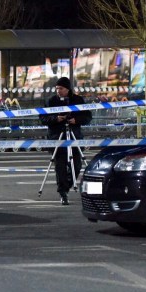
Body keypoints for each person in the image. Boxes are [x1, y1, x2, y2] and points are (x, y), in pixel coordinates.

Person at [40, 77, 91, 205]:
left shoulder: (77, 100)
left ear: (68, 89)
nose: (58, 91)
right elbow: (43, 118)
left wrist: (76, 120)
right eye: (57, 88)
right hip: (57, 137)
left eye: (61, 88)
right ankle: (62, 192)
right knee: (60, 166)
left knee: (77, 164)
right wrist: (56, 119)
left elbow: (87, 116)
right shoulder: (51, 101)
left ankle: (67, 185)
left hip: (74, 136)